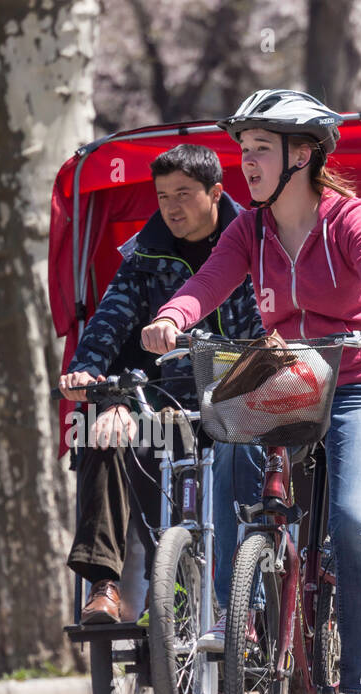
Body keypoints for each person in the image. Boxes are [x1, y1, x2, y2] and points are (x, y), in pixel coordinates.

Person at [140, 89, 361, 694]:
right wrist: (174, 317)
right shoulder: (250, 230)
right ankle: (255, 616)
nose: (247, 164)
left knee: (355, 518)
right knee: (231, 454)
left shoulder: (348, 217)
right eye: (243, 150)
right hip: (289, 380)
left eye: (260, 150)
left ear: (303, 155)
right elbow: (207, 282)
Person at [59, 144, 263, 623]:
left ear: (216, 192)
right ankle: (103, 583)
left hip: (238, 404)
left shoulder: (255, 242)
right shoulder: (143, 256)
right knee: (96, 426)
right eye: (162, 195)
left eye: (184, 194)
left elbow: (265, 329)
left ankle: (252, 608)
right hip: (163, 407)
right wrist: (93, 378)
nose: (171, 206)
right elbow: (108, 323)